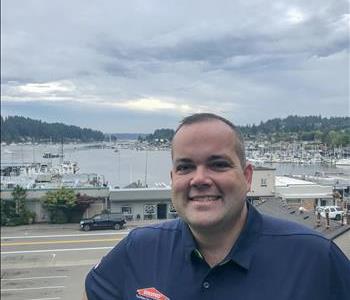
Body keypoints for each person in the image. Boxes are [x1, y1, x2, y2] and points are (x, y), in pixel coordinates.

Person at [83, 113, 350, 300]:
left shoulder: (315, 258)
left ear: (247, 177)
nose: (199, 179)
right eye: (185, 167)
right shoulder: (138, 249)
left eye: (218, 164)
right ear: (173, 179)